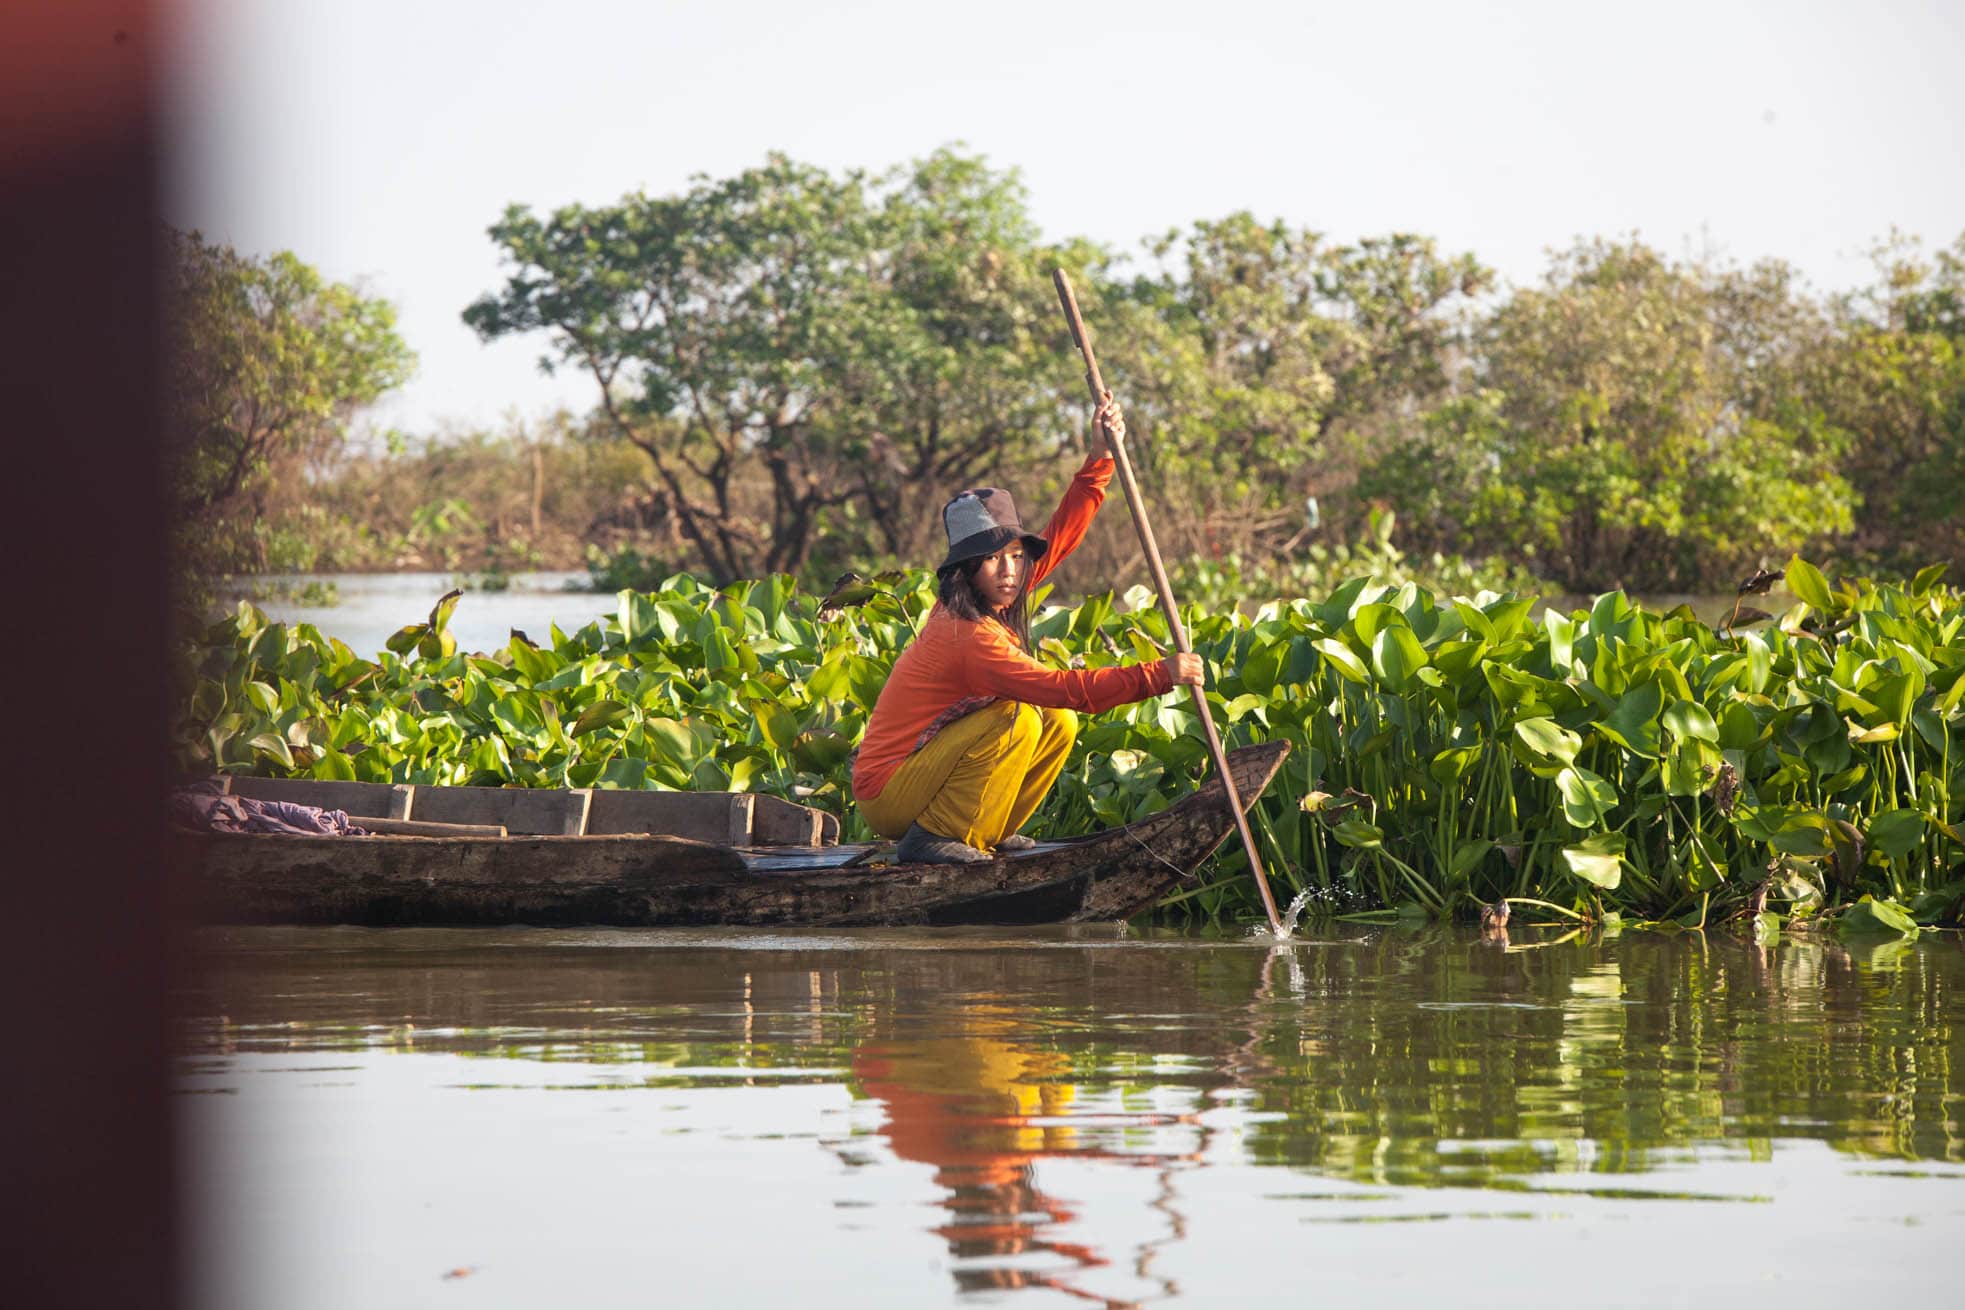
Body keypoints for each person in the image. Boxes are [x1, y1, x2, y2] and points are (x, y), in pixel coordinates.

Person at [852, 396, 1206, 865]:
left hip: (925, 775)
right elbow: (1063, 687)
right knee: (1017, 714)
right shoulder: (967, 636)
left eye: (1017, 555)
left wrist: (1099, 457)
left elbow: (1062, 534)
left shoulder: (1001, 590)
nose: (1009, 570)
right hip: (888, 793)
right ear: (966, 569)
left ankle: (991, 826)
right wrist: (1158, 675)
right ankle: (934, 839)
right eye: (993, 558)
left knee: (1059, 721)